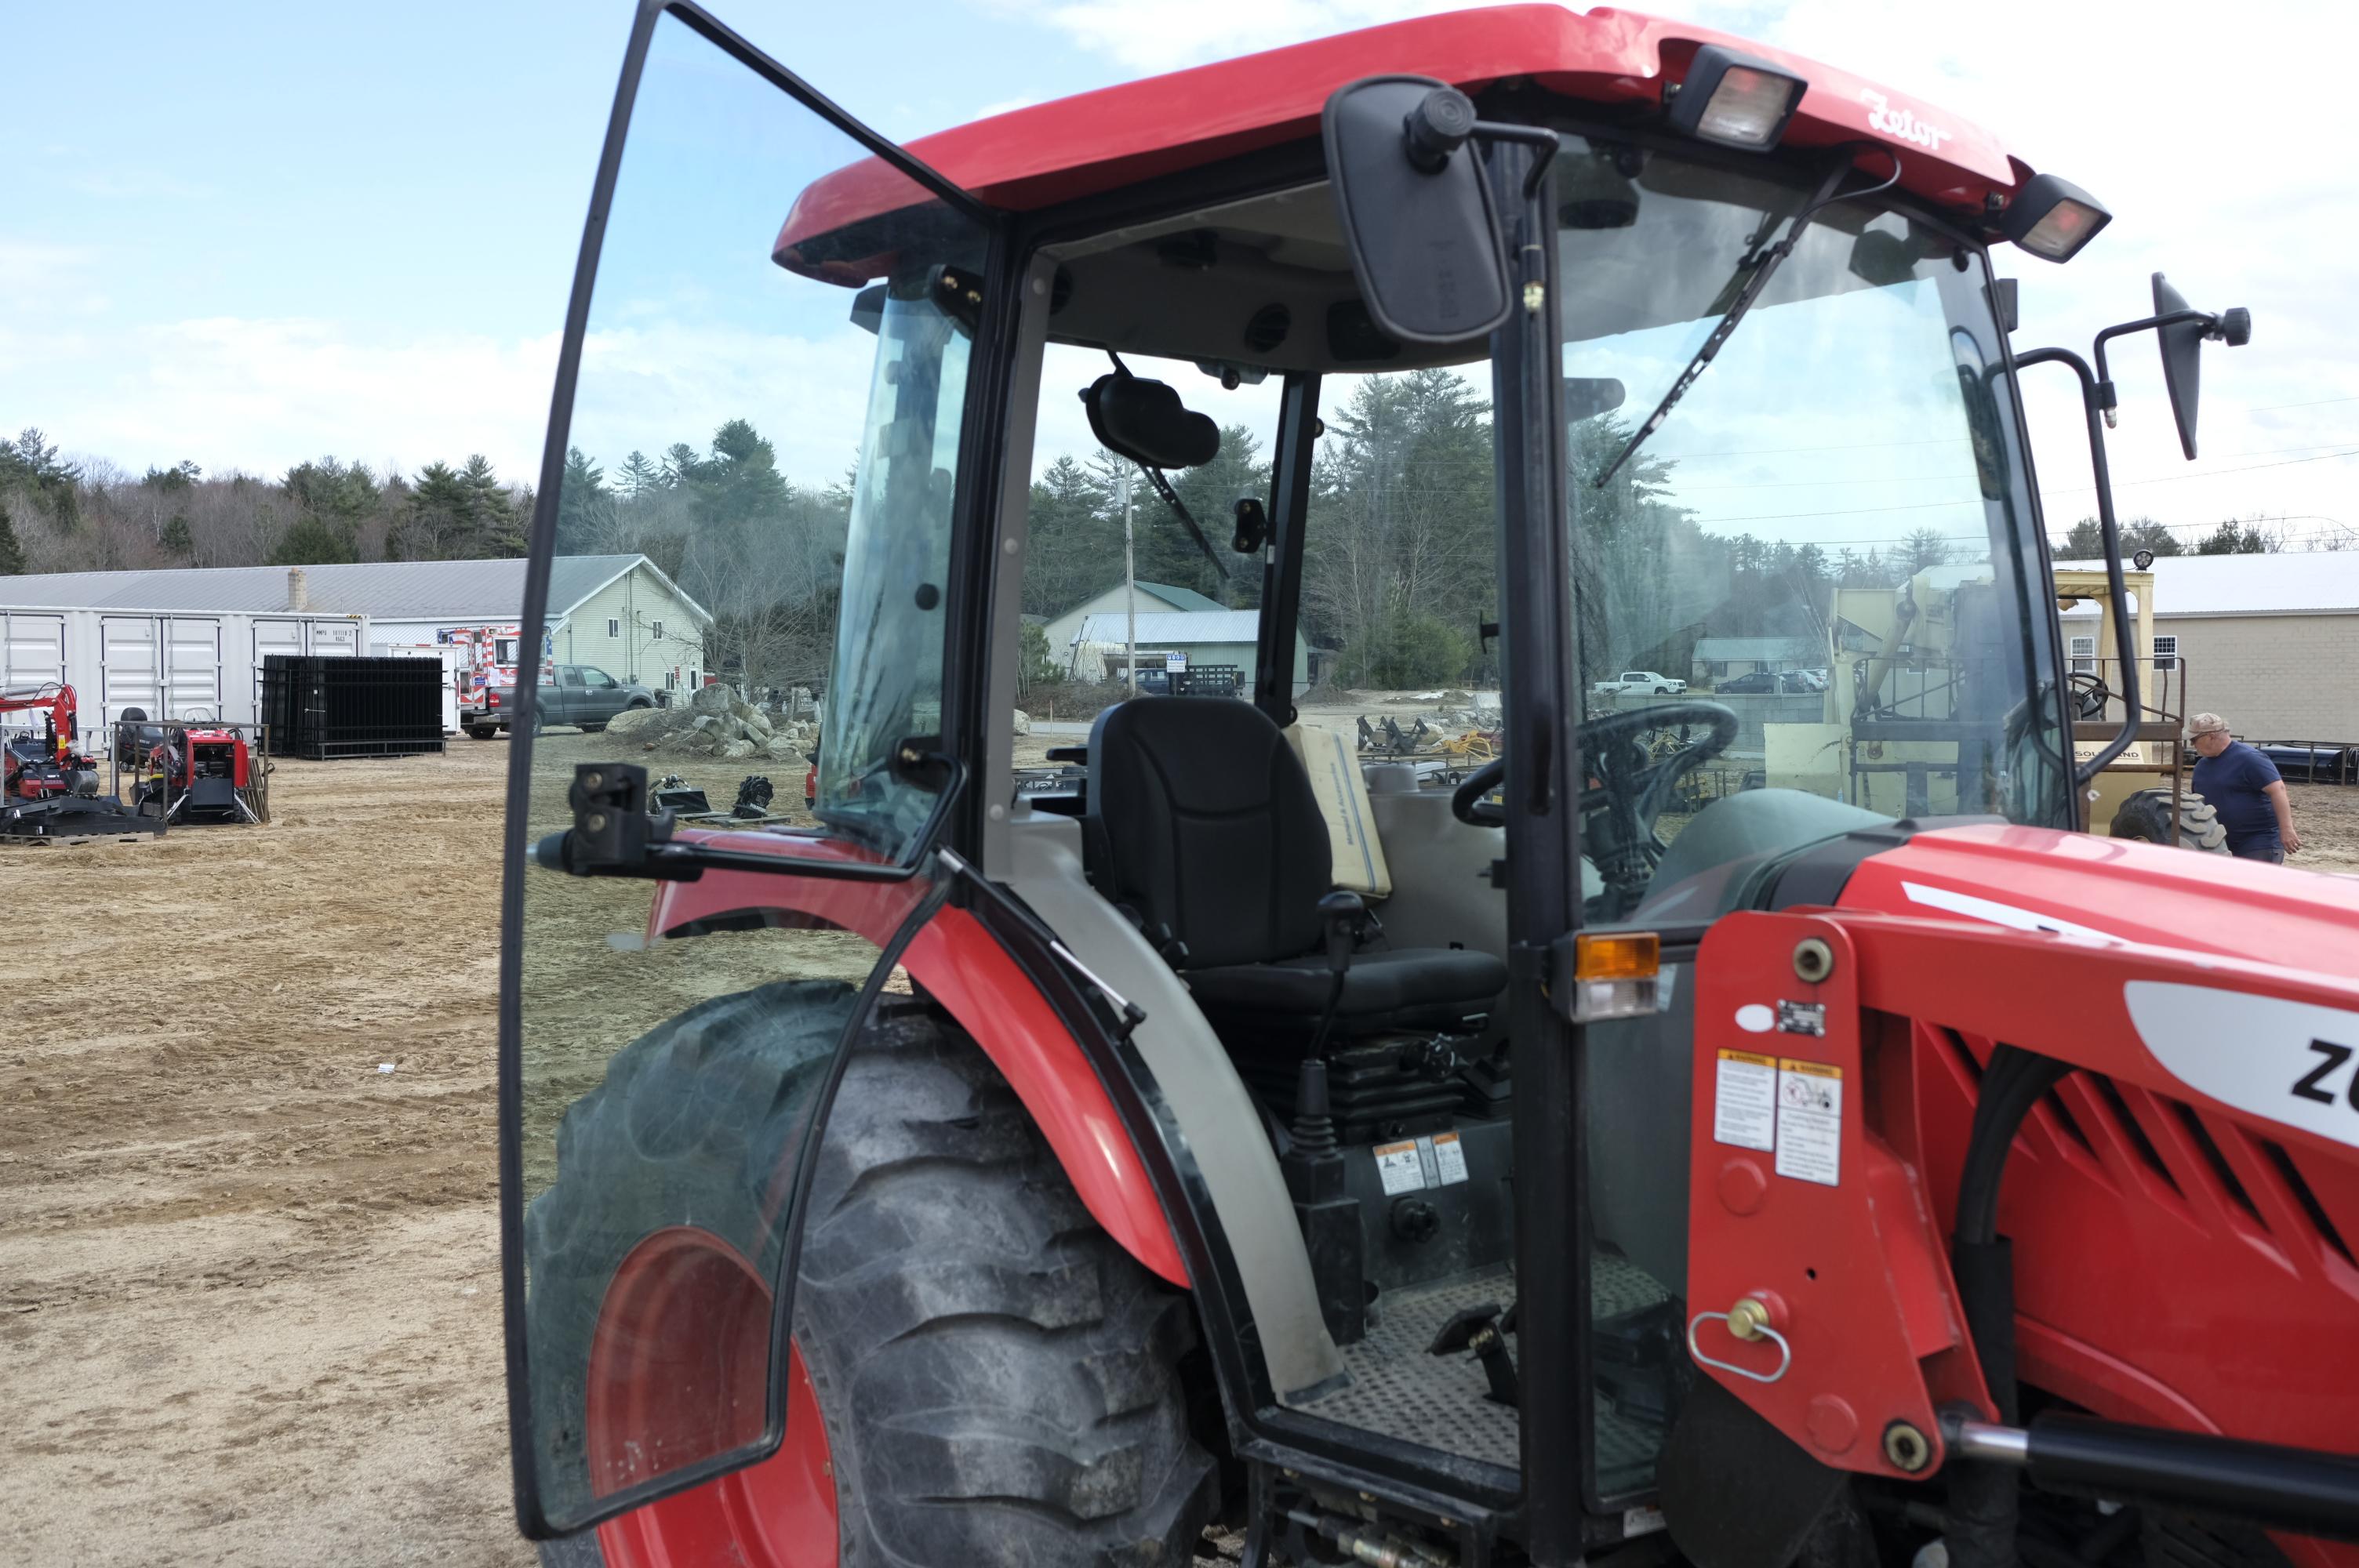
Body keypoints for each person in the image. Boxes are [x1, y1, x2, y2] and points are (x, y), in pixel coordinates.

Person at [2189, 712, 2301, 863]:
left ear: (2211, 736)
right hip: (2219, 843)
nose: (2192, 745)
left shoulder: (2249, 758)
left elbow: (2278, 790)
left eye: (2194, 739)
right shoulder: (2202, 765)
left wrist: (2287, 829)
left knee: (2254, 884)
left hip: (2258, 841)